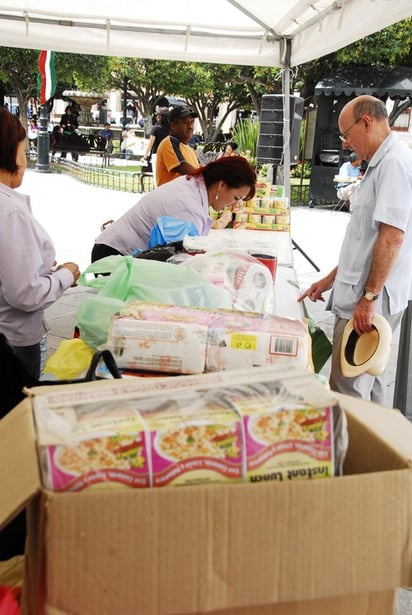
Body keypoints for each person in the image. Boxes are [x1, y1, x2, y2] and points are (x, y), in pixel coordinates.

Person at [298, 94, 412, 405]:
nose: (346, 143)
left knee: (348, 388)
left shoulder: (394, 163)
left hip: (371, 299)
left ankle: (351, 452)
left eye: (346, 135)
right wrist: (331, 278)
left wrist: (370, 296)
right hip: (363, 293)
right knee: (365, 385)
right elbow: (365, 239)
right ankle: (372, 450)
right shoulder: (381, 163)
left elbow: (391, 237)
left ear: (366, 122)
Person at [0, 107, 80, 379]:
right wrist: (65, 276)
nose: (26, 159)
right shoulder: (10, 211)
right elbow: (25, 294)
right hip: (12, 344)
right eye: (24, 151)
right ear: (11, 153)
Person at [91, 156, 256, 262]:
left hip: (116, 252)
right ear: (221, 185)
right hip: (113, 256)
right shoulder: (188, 206)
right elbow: (180, 261)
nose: (234, 206)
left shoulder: (195, 187)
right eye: (236, 198)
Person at [156, 105, 200, 186]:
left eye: (191, 122)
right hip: (171, 198)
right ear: (173, 126)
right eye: (185, 122)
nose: (190, 127)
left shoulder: (190, 149)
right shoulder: (169, 143)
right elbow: (185, 169)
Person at [142, 108, 169, 185]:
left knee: (157, 179)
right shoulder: (171, 129)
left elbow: (150, 145)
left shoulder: (155, 129)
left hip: (157, 155)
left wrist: (145, 157)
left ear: (159, 117)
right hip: (168, 155)